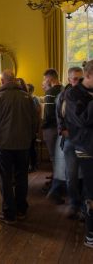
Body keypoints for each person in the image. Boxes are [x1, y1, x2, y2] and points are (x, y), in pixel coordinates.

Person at [0, 69, 38, 224]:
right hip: (23, 143)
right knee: (22, 176)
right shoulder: (27, 97)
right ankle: (21, 209)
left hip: (4, 144)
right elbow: (35, 120)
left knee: (5, 178)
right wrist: (30, 137)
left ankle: (9, 213)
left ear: (3, 81)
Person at [64, 60, 93, 248]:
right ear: (89, 75)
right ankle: (91, 234)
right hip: (86, 148)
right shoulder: (73, 94)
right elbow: (83, 121)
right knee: (91, 192)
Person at [57, 66, 84, 218]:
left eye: (80, 79)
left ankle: (85, 207)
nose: (78, 82)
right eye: (75, 79)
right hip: (70, 140)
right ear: (69, 80)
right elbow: (59, 116)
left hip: (86, 141)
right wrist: (63, 130)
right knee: (71, 175)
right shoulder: (63, 96)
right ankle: (74, 203)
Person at [42, 69, 64, 172]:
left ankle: (57, 183)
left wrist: (43, 126)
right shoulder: (64, 89)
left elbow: (48, 113)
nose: (44, 81)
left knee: (53, 157)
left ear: (50, 78)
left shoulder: (50, 92)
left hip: (51, 128)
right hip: (63, 128)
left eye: (45, 79)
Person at [26, 83, 41, 172]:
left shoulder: (34, 99)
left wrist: (36, 128)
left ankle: (33, 164)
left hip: (31, 126)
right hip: (29, 126)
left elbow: (36, 113)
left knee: (31, 147)